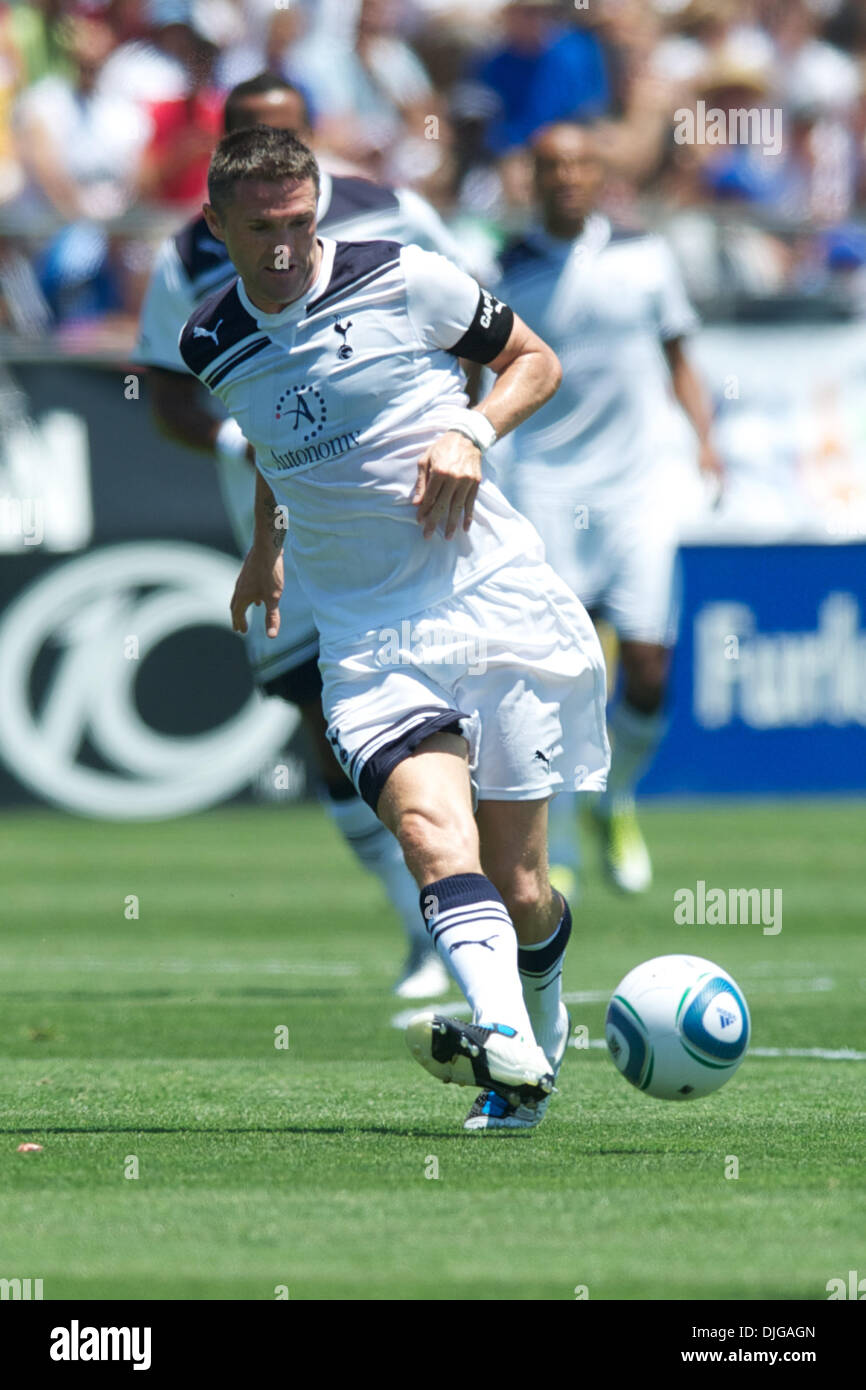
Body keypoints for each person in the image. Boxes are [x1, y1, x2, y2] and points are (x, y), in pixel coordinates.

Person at [178, 125, 610, 1132]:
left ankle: (533, 1024)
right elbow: (273, 449)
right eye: (260, 230)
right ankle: (507, 1054)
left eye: (298, 224)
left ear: (317, 212)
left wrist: (470, 428)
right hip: (367, 633)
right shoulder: (209, 341)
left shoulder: (406, 278)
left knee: (520, 886)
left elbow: (533, 363)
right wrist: (265, 546)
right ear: (217, 227)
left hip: (487, 597)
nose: (283, 248)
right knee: (427, 833)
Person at [135, 74, 476, 1001]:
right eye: (246, 134)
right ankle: (423, 927)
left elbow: (470, 319)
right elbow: (164, 386)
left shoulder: (394, 215)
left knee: (459, 704)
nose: (266, 156)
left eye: (282, 135)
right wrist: (235, 433)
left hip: (412, 502)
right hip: (282, 512)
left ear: (313, 142)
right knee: (326, 728)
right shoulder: (188, 256)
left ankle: (489, 899)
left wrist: (459, 429)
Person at [495, 121, 721, 895]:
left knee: (650, 665)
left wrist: (706, 443)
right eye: (551, 165)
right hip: (545, 487)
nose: (566, 178)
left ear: (599, 174)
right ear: (532, 175)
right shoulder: (502, 269)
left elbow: (680, 356)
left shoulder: (645, 255)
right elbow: (476, 376)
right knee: (560, 669)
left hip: (639, 487)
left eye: (580, 164)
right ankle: (550, 829)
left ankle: (616, 795)